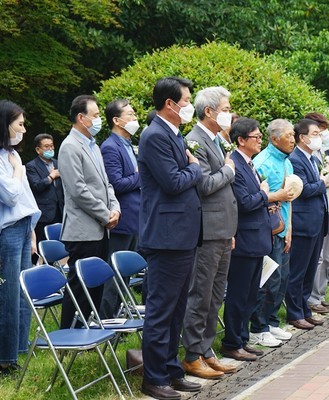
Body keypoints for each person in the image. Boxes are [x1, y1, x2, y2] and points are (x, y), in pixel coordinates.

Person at [138, 77, 202, 400]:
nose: (190, 105)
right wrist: (197, 169)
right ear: (170, 104)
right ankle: (154, 377)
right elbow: (174, 181)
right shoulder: (154, 136)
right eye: (186, 100)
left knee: (177, 309)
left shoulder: (174, 134)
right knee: (161, 309)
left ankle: (172, 369)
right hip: (166, 237)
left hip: (183, 236)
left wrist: (192, 166)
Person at [0, 100, 41, 376]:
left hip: (24, 226)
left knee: (21, 296)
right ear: (5, 125)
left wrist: (33, 233)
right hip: (6, 231)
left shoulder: (11, 154)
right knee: (6, 297)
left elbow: (25, 198)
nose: (24, 130)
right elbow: (10, 195)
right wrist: (17, 169)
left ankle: (15, 354)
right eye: (20, 124)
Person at [181, 86, 238, 379]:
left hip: (223, 228)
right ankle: (192, 354)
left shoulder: (216, 140)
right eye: (226, 109)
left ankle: (206, 350)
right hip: (207, 230)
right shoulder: (195, 141)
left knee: (216, 295)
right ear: (209, 111)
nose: (230, 114)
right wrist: (229, 170)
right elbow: (203, 185)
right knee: (201, 293)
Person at [57, 95, 121, 329]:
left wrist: (115, 208)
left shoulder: (93, 145)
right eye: (94, 116)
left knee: (95, 284)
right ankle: (70, 333)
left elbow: (106, 184)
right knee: (80, 286)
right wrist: (105, 215)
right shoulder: (70, 146)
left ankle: (89, 328)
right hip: (83, 229)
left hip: (101, 227)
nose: (98, 120)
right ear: (81, 118)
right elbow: (78, 190)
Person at [220, 118, 273, 361]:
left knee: (251, 293)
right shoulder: (236, 165)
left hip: (257, 237)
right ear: (241, 140)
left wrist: (265, 202)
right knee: (239, 295)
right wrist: (265, 196)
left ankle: (242, 338)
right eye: (256, 137)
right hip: (244, 239)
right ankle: (231, 342)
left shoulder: (249, 164)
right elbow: (243, 202)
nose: (260, 140)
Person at [249, 119, 295, 345]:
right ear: (275, 139)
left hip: (283, 228)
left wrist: (289, 230)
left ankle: (272, 321)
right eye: (289, 136)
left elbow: (290, 199)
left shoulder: (288, 162)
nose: (293, 140)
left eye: (294, 135)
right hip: (267, 230)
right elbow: (258, 198)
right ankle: (258, 327)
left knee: (282, 279)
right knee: (267, 279)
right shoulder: (262, 162)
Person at [99, 99, 141, 319]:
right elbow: (116, 183)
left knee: (125, 274)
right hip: (122, 219)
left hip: (135, 218)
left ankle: (121, 317)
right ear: (116, 120)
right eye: (131, 115)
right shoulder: (110, 147)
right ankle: (108, 319)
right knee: (114, 275)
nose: (135, 119)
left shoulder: (129, 144)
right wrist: (142, 174)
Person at [286, 118, 328, 330]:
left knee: (310, 270)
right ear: (301, 137)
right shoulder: (295, 159)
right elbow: (302, 190)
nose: (318, 138)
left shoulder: (312, 159)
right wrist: (322, 183)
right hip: (303, 222)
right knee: (298, 271)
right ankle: (294, 312)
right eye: (314, 134)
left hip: (317, 221)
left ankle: (305, 309)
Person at [304, 112, 329, 315]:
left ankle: (320, 294)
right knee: (316, 258)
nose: (323, 134)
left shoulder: (321, 153)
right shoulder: (304, 156)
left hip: (328, 205)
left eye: (323, 130)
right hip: (314, 211)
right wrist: (324, 181)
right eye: (319, 130)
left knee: (327, 255)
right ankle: (312, 298)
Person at [26, 134, 64, 245]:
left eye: (52, 146)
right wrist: (51, 176)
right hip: (44, 214)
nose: (50, 149)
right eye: (46, 146)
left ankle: (53, 263)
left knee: (57, 245)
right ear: (38, 149)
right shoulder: (31, 166)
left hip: (60, 211)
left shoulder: (58, 163)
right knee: (40, 245)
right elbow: (36, 186)